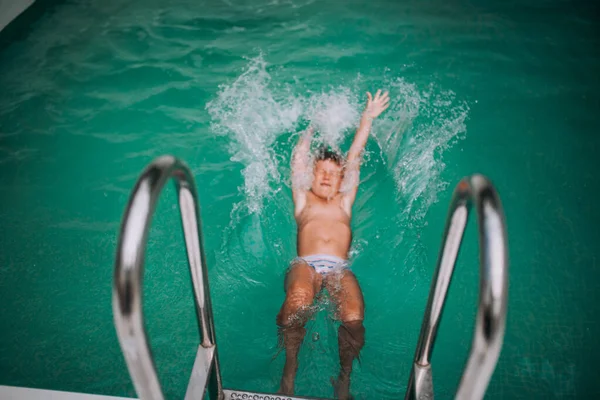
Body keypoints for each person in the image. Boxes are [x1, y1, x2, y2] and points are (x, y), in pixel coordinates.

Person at [276, 90, 390, 399]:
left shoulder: (344, 202)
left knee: (353, 315)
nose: (326, 176)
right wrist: (311, 128)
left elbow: (354, 155)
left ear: (342, 181)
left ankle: (344, 380)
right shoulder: (303, 200)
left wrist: (367, 118)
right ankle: (290, 370)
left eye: (332, 173)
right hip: (306, 265)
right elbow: (298, 161)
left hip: (339, 268)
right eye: (320, 171)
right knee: (299, 299)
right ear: (310, 177)